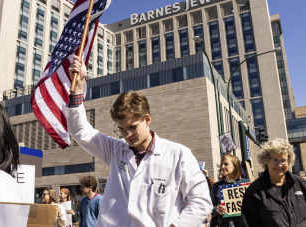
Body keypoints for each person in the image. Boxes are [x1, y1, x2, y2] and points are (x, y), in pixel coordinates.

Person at [67, 55, 212, 226]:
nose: (127, 135)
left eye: (132, 127)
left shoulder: (178, 155)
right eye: (121, 129)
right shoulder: (115, 150)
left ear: (147, 119)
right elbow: (80, 131)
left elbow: (201, 202)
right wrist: (78, 87)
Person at [241, 138, 306, 227]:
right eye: (274, 160)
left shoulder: (303, 185)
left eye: (283, 160)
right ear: (266, 161)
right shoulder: (254, 191)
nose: (279, 165)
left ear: (289, 161)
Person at [210, 154, 250, 227]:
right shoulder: (217, 186)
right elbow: (210, 206)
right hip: (224, 224)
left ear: (235, 166)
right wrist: (217, 208)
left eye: (226, 164)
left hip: (243, 223)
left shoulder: (246, 183)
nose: (222, 167)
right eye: (222, 164)